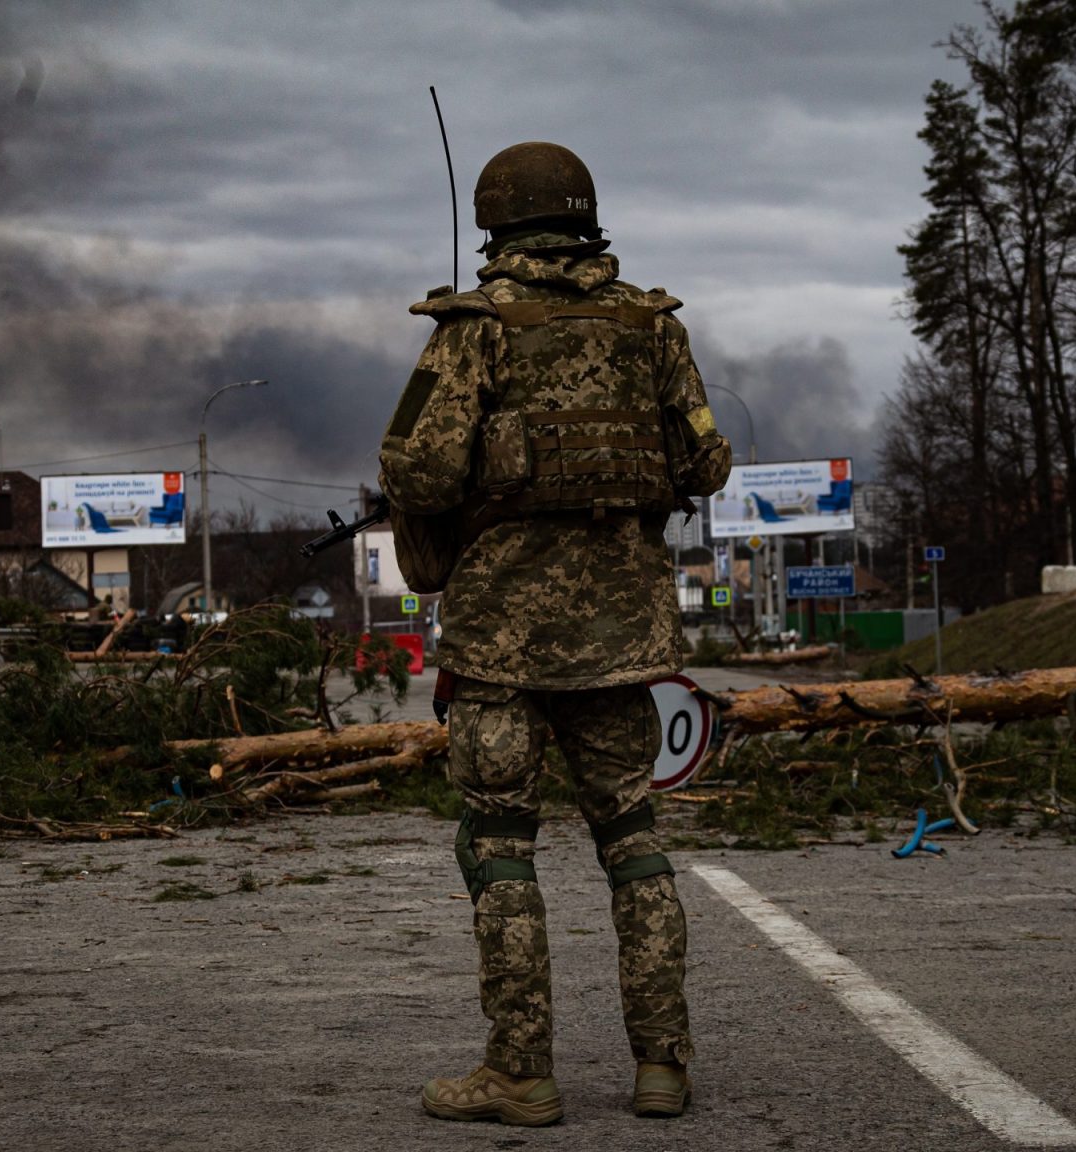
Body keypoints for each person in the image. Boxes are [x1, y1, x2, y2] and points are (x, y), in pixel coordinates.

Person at [378, 140, 731, 1127]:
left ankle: (520, 1070)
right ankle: (661, 1064)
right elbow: (704, 462)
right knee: (633, 841)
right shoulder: (651, 327)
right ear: (585, 218)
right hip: (624, 636)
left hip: (500, 641)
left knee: (498, 845)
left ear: (495, 223)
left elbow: (416, 470)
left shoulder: (473, 329)